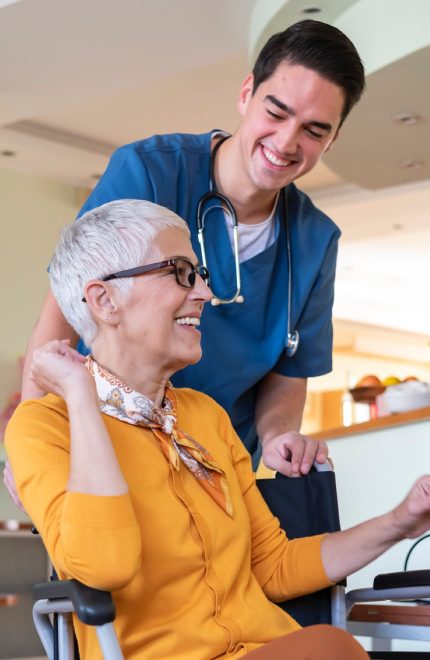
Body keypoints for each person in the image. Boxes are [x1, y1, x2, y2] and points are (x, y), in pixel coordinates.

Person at [6, 200, 430, 659]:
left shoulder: (204, 416)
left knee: (331, 646)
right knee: (332, 647)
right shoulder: (45, 426)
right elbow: (105, 567)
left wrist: (398, 522)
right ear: (105, 300)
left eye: (200, 274)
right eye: (181, 273)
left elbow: (272, 566)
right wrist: (80, 398)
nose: (205, 293)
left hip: (265, 648)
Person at [19, 19, 366, 476]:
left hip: (214, 469)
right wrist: (30, 442)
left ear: (333, 139)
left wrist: (280, 435)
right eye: (276, 113)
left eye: (314, 130)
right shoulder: (147, 173)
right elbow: (63, 314)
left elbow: (288, 371)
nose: (286, 142)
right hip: (105, 450)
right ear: (247, 94)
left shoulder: (315, 241)